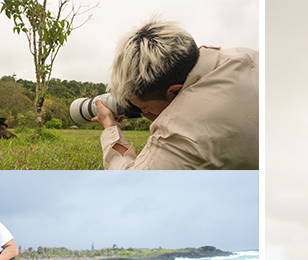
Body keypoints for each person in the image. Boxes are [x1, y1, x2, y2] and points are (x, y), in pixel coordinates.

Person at [93, 16, 259, 171]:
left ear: (173, 90)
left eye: (145, 107)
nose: (144, 113)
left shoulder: (181, 131)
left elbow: (131, 183)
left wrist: (110, 126)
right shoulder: (244, 54)